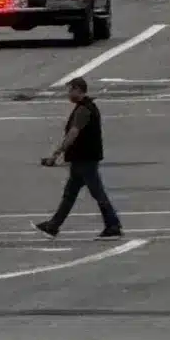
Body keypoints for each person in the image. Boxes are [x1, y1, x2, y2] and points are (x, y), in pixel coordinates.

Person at [34, 77, 123, 240]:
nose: (68, 94)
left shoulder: (83, 110)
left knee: (97, 193)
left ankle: (113, 225)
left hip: (85, 159)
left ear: (78, 90)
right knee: (70, 194)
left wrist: (56, 154)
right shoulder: (88, 107)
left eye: (70, 90)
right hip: (82, 159)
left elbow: (73, 134)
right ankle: (53, 226)